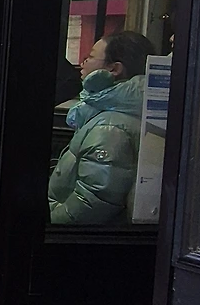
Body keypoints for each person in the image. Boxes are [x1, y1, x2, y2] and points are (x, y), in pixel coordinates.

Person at [48, 30, 154, 226]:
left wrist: (50, 223)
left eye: (90, 57)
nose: (83, 63)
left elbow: (91, 203)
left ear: (114, 69)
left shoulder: (109, 127)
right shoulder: (115, 112)